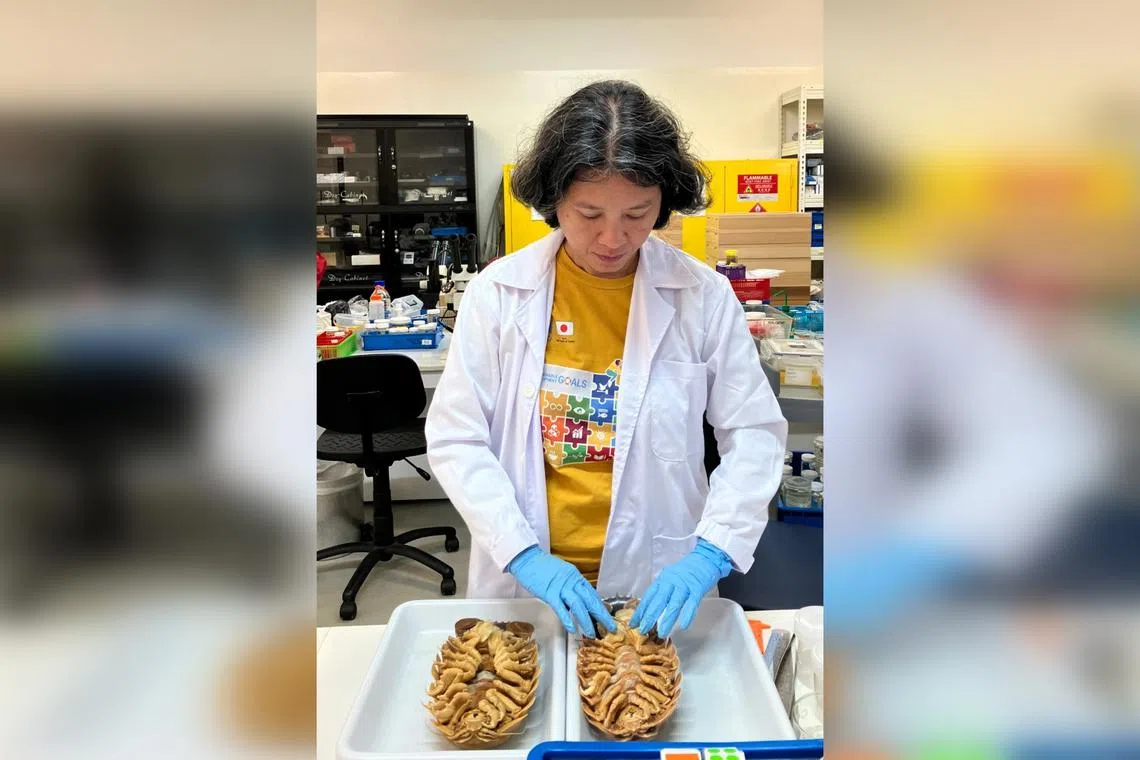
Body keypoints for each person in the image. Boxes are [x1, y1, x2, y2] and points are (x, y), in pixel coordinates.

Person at [426, 80, 786, 639]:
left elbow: (755, 433)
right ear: (553, 201)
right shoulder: (498, 293)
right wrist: (522, 555)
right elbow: (456, 438)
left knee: (652, 717)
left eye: (639, 214)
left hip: (659, 582)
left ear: (665, 202)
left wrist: (713, 553)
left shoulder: (703, 296)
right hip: (532, 583)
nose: (612, 238)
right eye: (589, 213)